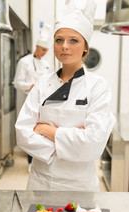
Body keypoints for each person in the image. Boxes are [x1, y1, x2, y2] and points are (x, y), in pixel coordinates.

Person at [15, 0, 116, 191]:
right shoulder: (42, 84)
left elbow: (92, 144)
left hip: (79, 185)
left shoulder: (98, 87)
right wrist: (72, 140)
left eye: (74, 40)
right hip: (40, 182)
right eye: (59, 40)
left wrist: (47, 131)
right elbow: (22, 133)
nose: (64, 46)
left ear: (85, 47)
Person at [14, 24, 52, 173]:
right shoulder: (24, 62)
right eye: (43, 49)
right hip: (29, 101)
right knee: (31, 131)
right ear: (36, 46)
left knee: (43, 131)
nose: (44, 53)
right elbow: (17, 83)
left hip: (45, 103)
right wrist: (32, 86)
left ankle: (41, 159)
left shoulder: (46, 64)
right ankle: (30, 161)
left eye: (46, 51)